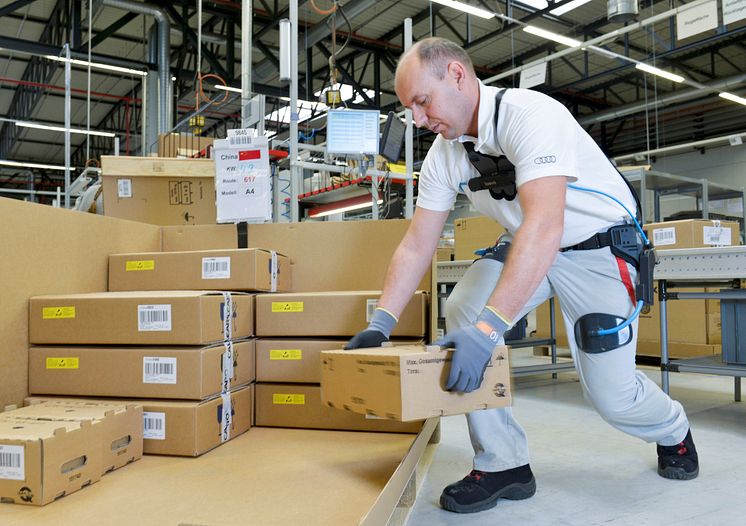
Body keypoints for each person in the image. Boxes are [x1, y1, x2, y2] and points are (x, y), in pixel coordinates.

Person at [345, 37, 698, 515]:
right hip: (530, 245)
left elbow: (545, 223)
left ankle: (673, 430)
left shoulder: (532, 115)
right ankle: (503, 464)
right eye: (411, 109)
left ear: (456, 75)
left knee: (614, 397)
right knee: (464, 305)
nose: (420, 120)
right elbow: (417, 243)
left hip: (598, 248)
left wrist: (490, 331)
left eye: (422, 102)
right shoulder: (445, 155)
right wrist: (381, 321)